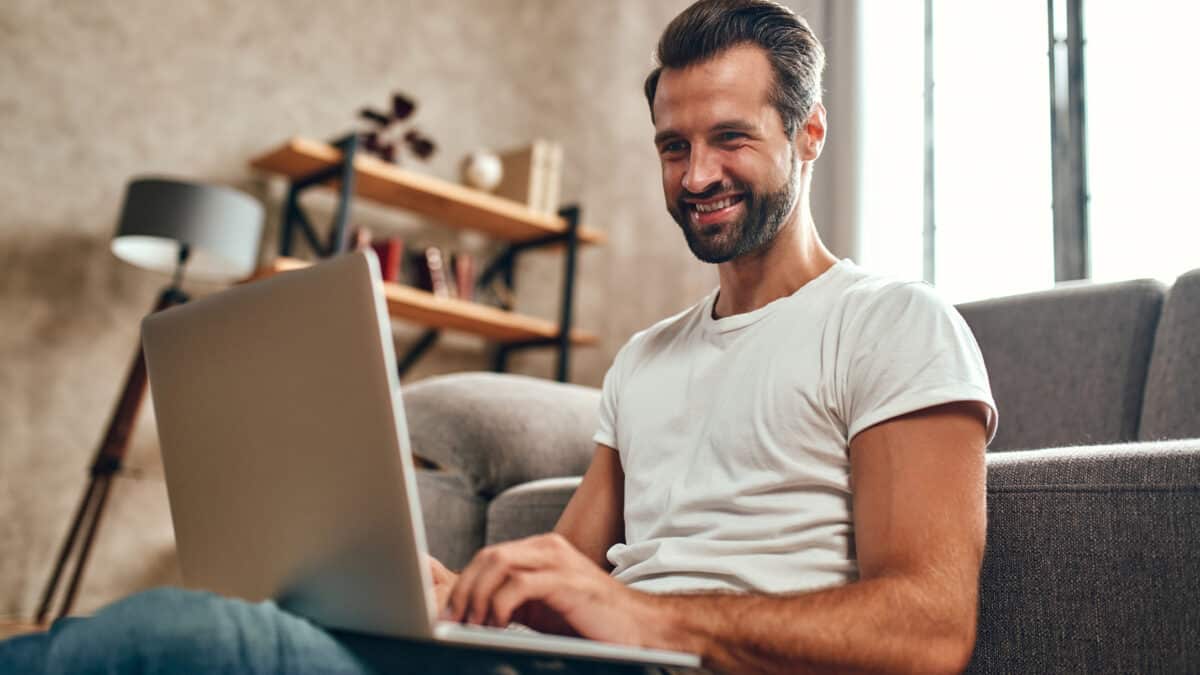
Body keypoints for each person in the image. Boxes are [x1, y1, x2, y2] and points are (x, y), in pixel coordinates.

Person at [1, 1, 995, 673]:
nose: (697, 176)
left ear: (808, 135)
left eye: (731, 138)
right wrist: (452, 591)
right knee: (128, 638)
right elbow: (561, 576)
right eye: (673, 145)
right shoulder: (645, 361)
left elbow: (930, 629)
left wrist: (651, 618)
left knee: (176, 642)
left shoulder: (895, 325)